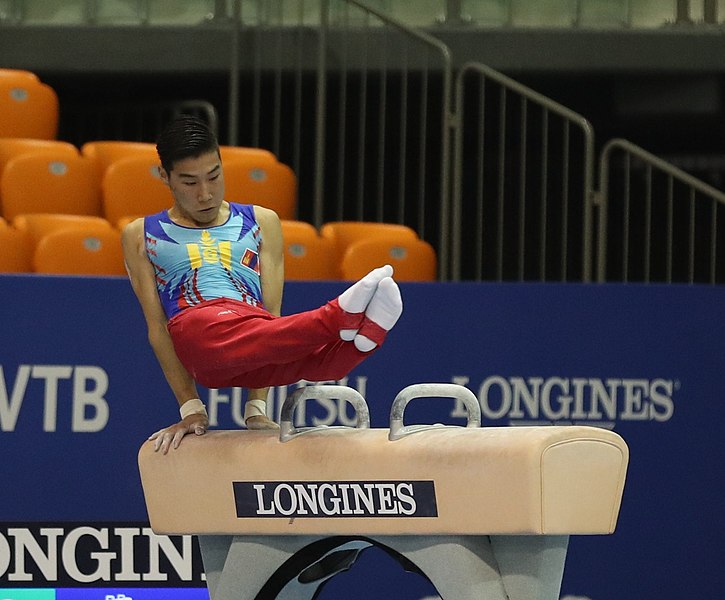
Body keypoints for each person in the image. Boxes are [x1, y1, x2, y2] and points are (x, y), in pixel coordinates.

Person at [121, 115, 402, 454]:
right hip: (197, 331)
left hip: (252, 328)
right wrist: (191, 408)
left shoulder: (261, 221)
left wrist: (257, 410)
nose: (206, 193)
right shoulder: (142, 234)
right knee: (214, 332)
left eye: (214, 176)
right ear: (165, 177)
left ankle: (364, 338)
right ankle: (336, 317)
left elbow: (271, 315)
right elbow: (157, 328)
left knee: (320, 362)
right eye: (189, 183)